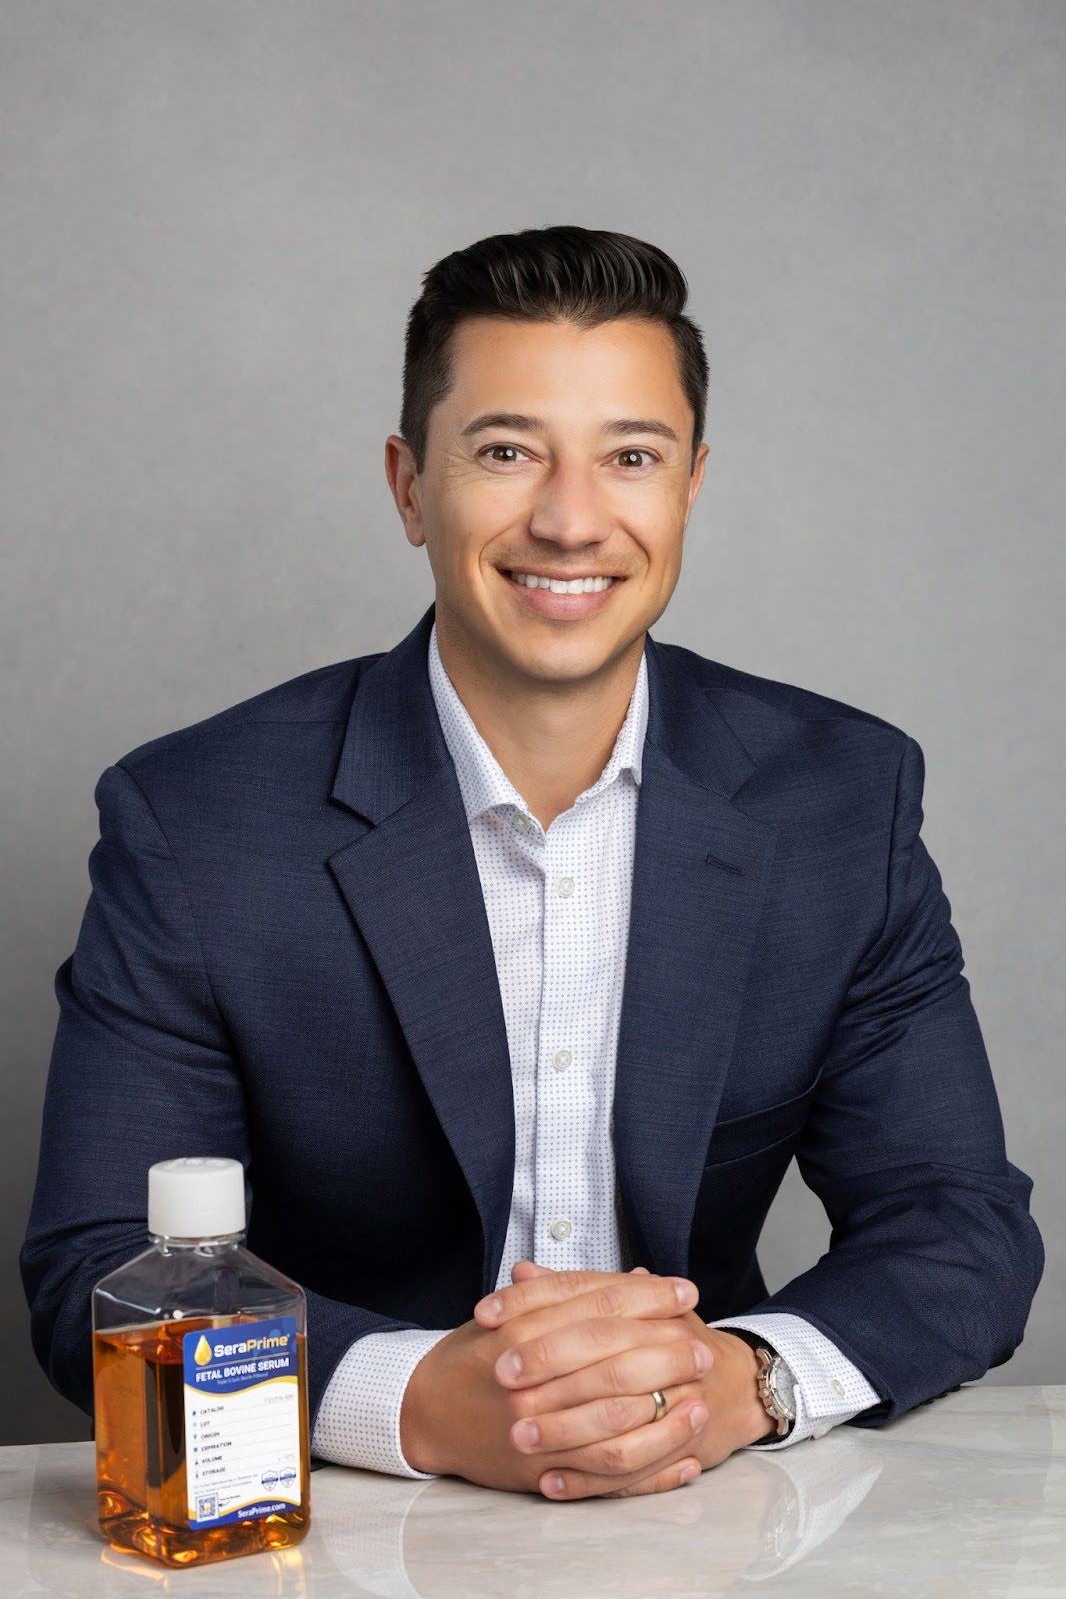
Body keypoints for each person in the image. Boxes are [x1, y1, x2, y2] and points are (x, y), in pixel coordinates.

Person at [21, 225, 1043, 1502]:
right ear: (408, 485)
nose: (570, 521)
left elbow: (957, 1226)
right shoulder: (197, 820)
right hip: (341, 1526)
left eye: (629, 457)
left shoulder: (840, 796)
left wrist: (742, 1382)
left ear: (690, 486)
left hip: (713, 1504)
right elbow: (96, 1269)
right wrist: (417, 1400)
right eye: (506, 452)